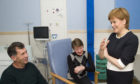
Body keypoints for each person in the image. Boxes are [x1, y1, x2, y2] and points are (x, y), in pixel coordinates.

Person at [99, 8, 139, 84]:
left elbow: (121, 64)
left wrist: (107, 56)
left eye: (114, 22)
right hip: (110, 75)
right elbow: (101, 56)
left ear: (124, 21)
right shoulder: (112, 36)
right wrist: (101, 49)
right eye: (111, 22)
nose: (112, 25)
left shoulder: (132, 39)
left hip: (122, 78)